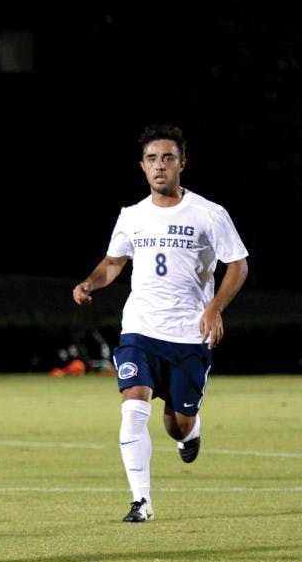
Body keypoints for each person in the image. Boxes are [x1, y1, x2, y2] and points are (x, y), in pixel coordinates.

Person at [72, 124, 249, 523]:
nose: (160, 166)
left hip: (189, 333)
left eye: (168, 158)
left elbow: (238, 265)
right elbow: (114, 262)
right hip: (140, 329)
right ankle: (141, 502)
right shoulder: (132, 216)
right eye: (152, 159)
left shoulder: (208, 213)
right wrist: (89, 282)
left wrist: (214, 308)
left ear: (182, 164)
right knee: (133, 407)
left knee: (175, 424)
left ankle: (191, 429)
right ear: (142, 166)